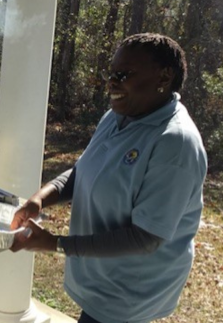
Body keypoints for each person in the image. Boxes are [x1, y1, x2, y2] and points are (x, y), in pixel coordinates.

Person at [10, 33, 207, 323]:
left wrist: (57, 244)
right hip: (100, 281)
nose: (112, 83)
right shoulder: (117, 116)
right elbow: (82, 171)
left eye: (124, 74)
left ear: (163, 77)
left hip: (128, 295)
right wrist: (41, 198)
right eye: (111, 74)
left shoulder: (175, 143)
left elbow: (145, 238)